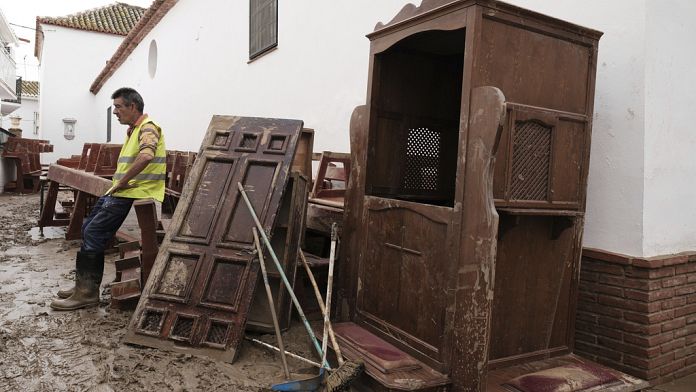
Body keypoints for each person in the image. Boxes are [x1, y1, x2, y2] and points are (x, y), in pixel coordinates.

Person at [51, 87, 166, 310]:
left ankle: (87, 294)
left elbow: (147, 155)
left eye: (118, 107)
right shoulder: (134, 129)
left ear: (133, 107)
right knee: (87, 229)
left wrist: (123, 181)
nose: (115, 112)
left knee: (93, 232)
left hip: (134, 190)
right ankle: (82, 285)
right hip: (122, 189)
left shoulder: (148, 128)